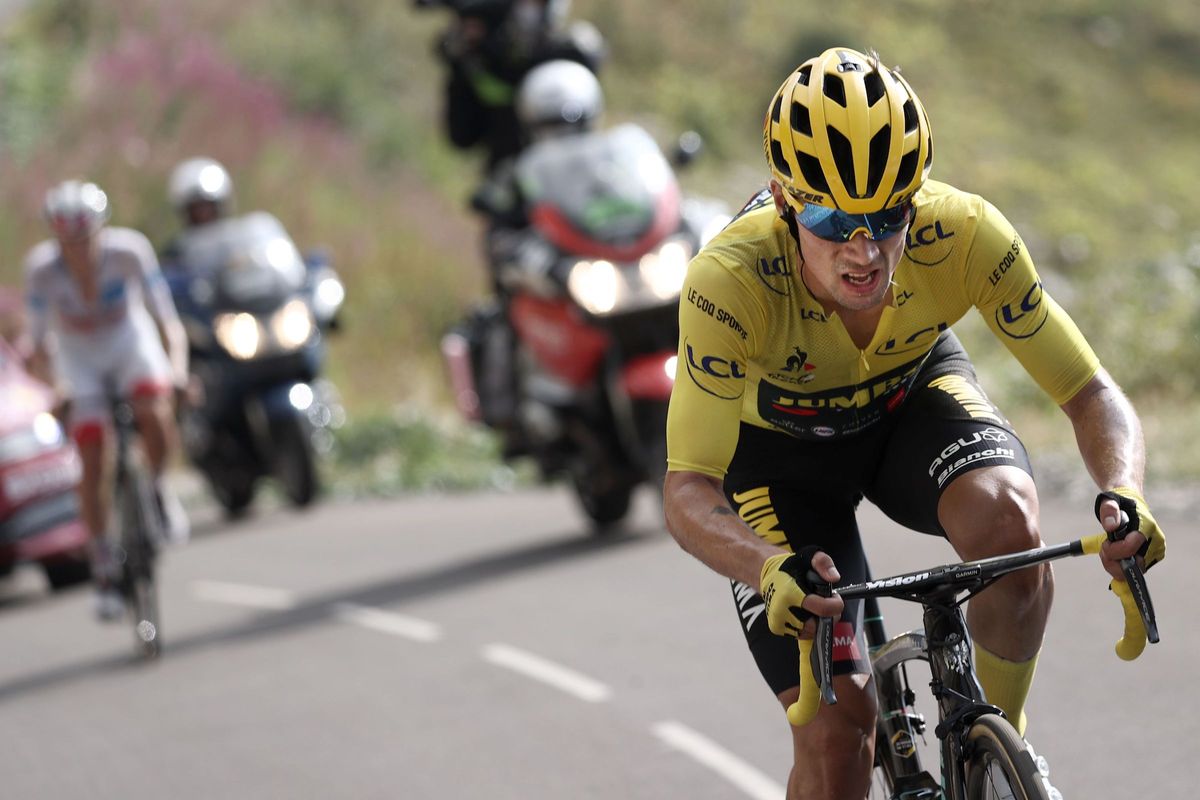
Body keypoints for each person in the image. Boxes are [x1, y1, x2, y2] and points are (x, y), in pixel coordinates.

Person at [661, 47, 1165, 799]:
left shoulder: (962, 235)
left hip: (909, 403)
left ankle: (1004, 753)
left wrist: (1124, 491)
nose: (863, 250)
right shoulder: (730, 283)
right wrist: (766, 568)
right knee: (839, 736)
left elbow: (1089, 391)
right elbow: (687, 489)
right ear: (785, 199)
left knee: (1010, 529)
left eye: (887, 215)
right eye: (833, 221)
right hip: (778, 463)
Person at [25, 180, 191, 621]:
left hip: (127, 343)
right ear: (56, 237)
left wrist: (176, 371)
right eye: (69, 241)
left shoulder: (130, 252)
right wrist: (53, 389)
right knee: (92, 453)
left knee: (154, 409)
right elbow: (38, 345)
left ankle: (156, 489)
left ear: (102, 229)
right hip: (79, 358)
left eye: (87, 237)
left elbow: (166, 321)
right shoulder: (41, 270)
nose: (79, 249)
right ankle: (101, 561)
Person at [430, 0, 606, 175]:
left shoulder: (571, 54)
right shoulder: (485, 61)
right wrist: (467, 61)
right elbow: (463, 137)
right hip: (510, 180)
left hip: (566, 178)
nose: (526, 8)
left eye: (536, 2)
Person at [160, 156, 235, 265]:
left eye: (208, 207)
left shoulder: (236, 244)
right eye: (195, 208)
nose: (202, 214)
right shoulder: (176, 252)